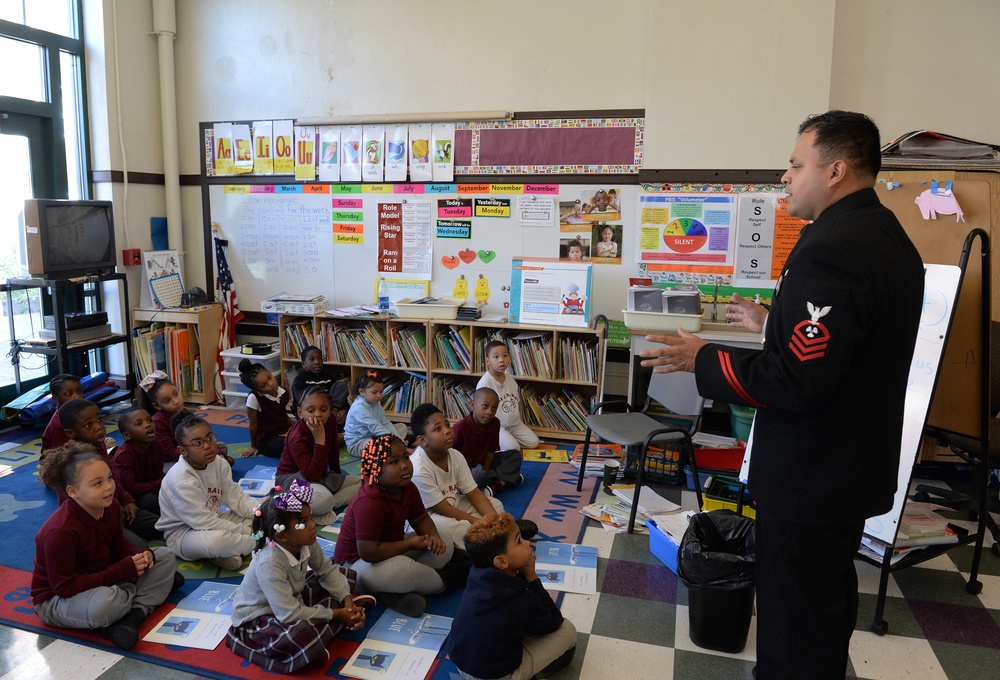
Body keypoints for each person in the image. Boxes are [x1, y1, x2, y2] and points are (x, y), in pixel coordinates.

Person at [639, 110, 925, 680]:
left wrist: (705, 359)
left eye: (797, 164)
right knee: (823, 604)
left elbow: (797, 380)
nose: (785, 175)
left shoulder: (832, 248)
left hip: (809, 477)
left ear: (837, 169)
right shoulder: (886, 236)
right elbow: (848, 348)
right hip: (848, 469)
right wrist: (775, 322)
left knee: (794, 619)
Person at [31, 442, 178, 650]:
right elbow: (64, 588)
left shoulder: (110, 507)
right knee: (107, 603)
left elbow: (120, 548)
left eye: (109, 478)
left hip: (102, 579)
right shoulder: (60, 532)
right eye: (97, 483)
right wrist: (122, 572)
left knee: (164, 557)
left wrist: (141, 555)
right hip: (56, 600)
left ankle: (132, 616)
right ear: (73, 492)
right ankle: (141, 598)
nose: (109, 486)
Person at [227, 479, 373, 673]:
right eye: (304, 523)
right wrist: (336, 613)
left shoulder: (306, 541)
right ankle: (330, 628)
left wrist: (346, 600)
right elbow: (288, 614)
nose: (313, 525)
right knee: (298, 632)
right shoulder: (269, 563)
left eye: (310, 518)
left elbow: (326, 570)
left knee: (342, 575)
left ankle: (339, 619)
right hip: (260, 617)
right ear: (282, 536)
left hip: (289, 601)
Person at [332, 435, 455, 617]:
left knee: (445, 541)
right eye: (394, 462)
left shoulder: (407, 487)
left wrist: (433, 538)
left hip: (392, 548)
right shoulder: (369, 502)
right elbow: (369, 553)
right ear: (376, 470)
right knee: (400, 570)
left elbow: (421, 518)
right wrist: (411, 545)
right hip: (357, 565)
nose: (404, 465)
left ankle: (392, 591)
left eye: (405, 457)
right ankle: (447, 582)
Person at [449, 513, 576, 680]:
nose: (527, 542)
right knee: (568, 631)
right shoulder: (519, 600)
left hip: (462, 662)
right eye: (518, 541)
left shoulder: (476, 573)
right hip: (493, 675)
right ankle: (540, 673)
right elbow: (553, 620)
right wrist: (531, 575)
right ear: (501, 562)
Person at [156, 413, 258, 572]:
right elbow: (204, 523)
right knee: (217, 542)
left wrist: (261, 513)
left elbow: (235, 497)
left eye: (210, 438)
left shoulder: (219, 462)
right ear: (182, 450)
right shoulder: (181, 480)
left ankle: (228, 551)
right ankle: (258, 541)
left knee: (258, 511)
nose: (207, 445)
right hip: (184, 534)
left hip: (213, 518)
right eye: (197, 443)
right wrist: (251, 533)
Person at [409, 403, 513, 551]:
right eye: (438, 429)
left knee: (496, 505)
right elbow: (442, 508)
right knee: (459, 527)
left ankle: (494, 536)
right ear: (422, 440)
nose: (447, 431)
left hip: (455, 503)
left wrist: (493, 522)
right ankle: (491, 544)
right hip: (429, 516)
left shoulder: (455, 455)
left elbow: (474, 493)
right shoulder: (419, 468)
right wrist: (480, 523)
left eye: (447, 425)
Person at [59, 399, 160, 542]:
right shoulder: (74, 464)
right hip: (97, 521)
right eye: (89, 425)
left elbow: (113, 480)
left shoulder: (100, 448)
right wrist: (113, 510)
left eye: (99, 420)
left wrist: (127, 501)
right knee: (140, 550)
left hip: (116, 509)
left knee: (160, 524)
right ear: (71, 433)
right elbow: (77, 507)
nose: (99, 427)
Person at [276, 385, 362, 521]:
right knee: (324, 500)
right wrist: (319, 439)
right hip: (291, 480)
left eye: (323, 410)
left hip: (320, 476)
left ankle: (326, 503)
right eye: (310, 410)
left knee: (366, 483)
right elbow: (311, 475)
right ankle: (321, 502)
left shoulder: (331, 420)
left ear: (330, 411)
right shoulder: (297, 437)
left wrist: (336, 477)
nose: (318, 414)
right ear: (300, 413)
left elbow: (333, 451)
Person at [139, 371, 235, 466]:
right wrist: (198, 459)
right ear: (157, 406)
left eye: (176, 394)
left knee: (221, 446)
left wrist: (219, 454)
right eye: (167, 401)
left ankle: (212, 464)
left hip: (189, 449)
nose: (176, 401)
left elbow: (203, 437)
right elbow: (170, 452)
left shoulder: (185, 413)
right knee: (171, 472)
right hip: (171, 459)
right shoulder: (158, 422)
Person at [452, 387, 523, 496]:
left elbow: (491, 451)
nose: (490, 412)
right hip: (467, 470)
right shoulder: (460, 428)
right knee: (479, 475)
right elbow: (450, 457)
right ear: (473, 404)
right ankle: (505, 478)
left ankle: (496, 483)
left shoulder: (495, 423)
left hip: (485, 464)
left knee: (515, 455)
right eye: (485, 406)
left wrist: (487, 470)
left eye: (494, 408)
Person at [477, 341, 540, 451]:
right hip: (497, 427)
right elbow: (481, 412)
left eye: (505, 355)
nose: (501, 360)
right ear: (488, 361)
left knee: (534, 442)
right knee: (513, 448)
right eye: (496, 357)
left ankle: (506, 441)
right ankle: (493, 441)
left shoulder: (511, 380)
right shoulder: (485, 384)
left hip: (515, 425)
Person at [111, 407, 164, 516]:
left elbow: (158, 474)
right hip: (132, 497)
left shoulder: (156, 445)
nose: (148, 425)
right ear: (127, 436)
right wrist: (160, 483)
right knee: (152, 501)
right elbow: (129, 488)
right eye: (139, 424)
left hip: (150, 487)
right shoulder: (124, 456)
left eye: (149, 420)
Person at [343, 370, 407, 459]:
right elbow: (375, 427)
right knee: (377, 443)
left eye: (381, 391)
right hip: (357, 443)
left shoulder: (375, 402)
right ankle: (391, 447)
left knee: (402, 427)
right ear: (361, 391)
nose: (379, 395)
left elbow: (385, 423)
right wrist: (397, 442)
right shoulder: (359, 407)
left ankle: (392, 446)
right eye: (374, 392)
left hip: (373, 435)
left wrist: (400, 442)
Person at [238, 358, 293, 457]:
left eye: (269, 377)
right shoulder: (254, 398)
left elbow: (283, 415)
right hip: (267, 439)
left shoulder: (283, 392)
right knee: (291, 444)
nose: (271, 383)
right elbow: (253, 425)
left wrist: (298, 427)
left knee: (304, 437)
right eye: (264, 385)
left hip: (284, 432)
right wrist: (254, 446)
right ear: (258, 390)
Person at [290, 345, 349, 430]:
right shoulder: (299, 380)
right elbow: (302, 403)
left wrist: (344, 410)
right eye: (312, 359)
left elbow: (341, 397)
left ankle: (333, 414)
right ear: (304, 364)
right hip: (310, 410)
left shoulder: (327, 377)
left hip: (328, 408)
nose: (317, 362)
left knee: (341, 385)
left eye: (320, 358)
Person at [40, 374, 83, 453]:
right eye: (69, 394)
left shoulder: (78, 412)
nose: (77, 397)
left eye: (79, 392)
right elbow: (61, 457)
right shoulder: (59, 425)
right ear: (56, 399)